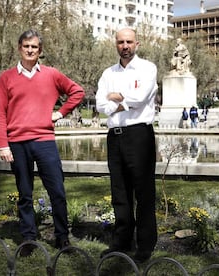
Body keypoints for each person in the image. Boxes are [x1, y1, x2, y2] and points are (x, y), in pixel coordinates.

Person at [0, 29, 85, 257]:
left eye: (34, 47)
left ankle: (62, 237)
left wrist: (61, 113)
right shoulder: (6, 77)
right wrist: (3, 144)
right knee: (25, 194)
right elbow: (0, 113)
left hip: (44, 141)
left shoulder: (51, 74)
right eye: (26, 46)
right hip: (17, 143)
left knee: (57, 191)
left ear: (40, 51)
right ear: (19, 48)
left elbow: (77, 91)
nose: (30, 50)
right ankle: (28, 238)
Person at [96, 27, 158, 264]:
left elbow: (140, 97)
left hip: (139, 135)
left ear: (137, 44)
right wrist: (122, 99)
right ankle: (122, 240)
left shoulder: (147, 68)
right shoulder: (107, 73)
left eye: (129, 41)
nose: (125, 46)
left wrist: (116, 97)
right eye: (121, 42)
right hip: (115, 136)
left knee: (143, 192)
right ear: (115, 44)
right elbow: (101, 105)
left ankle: (145, 244)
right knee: (119, 192)